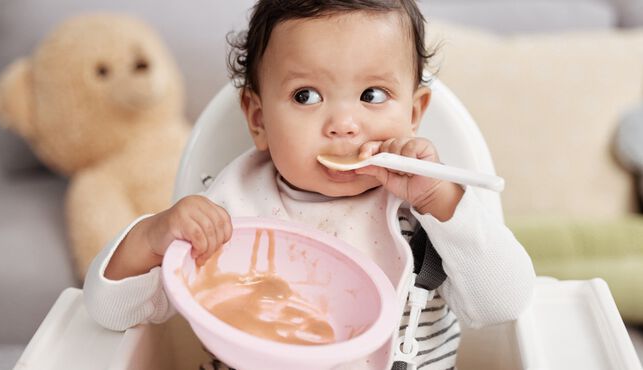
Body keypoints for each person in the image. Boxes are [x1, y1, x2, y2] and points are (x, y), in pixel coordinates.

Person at [84, 1, 536, 369]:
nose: (343, 124)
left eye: (372, 95)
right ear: (258, 119)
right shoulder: (230, 207)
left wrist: (441, 202)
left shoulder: (428, 206)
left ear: (414, 113)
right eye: (306, 96)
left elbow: (504, 304)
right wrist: (150, 237)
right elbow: (111, 311)